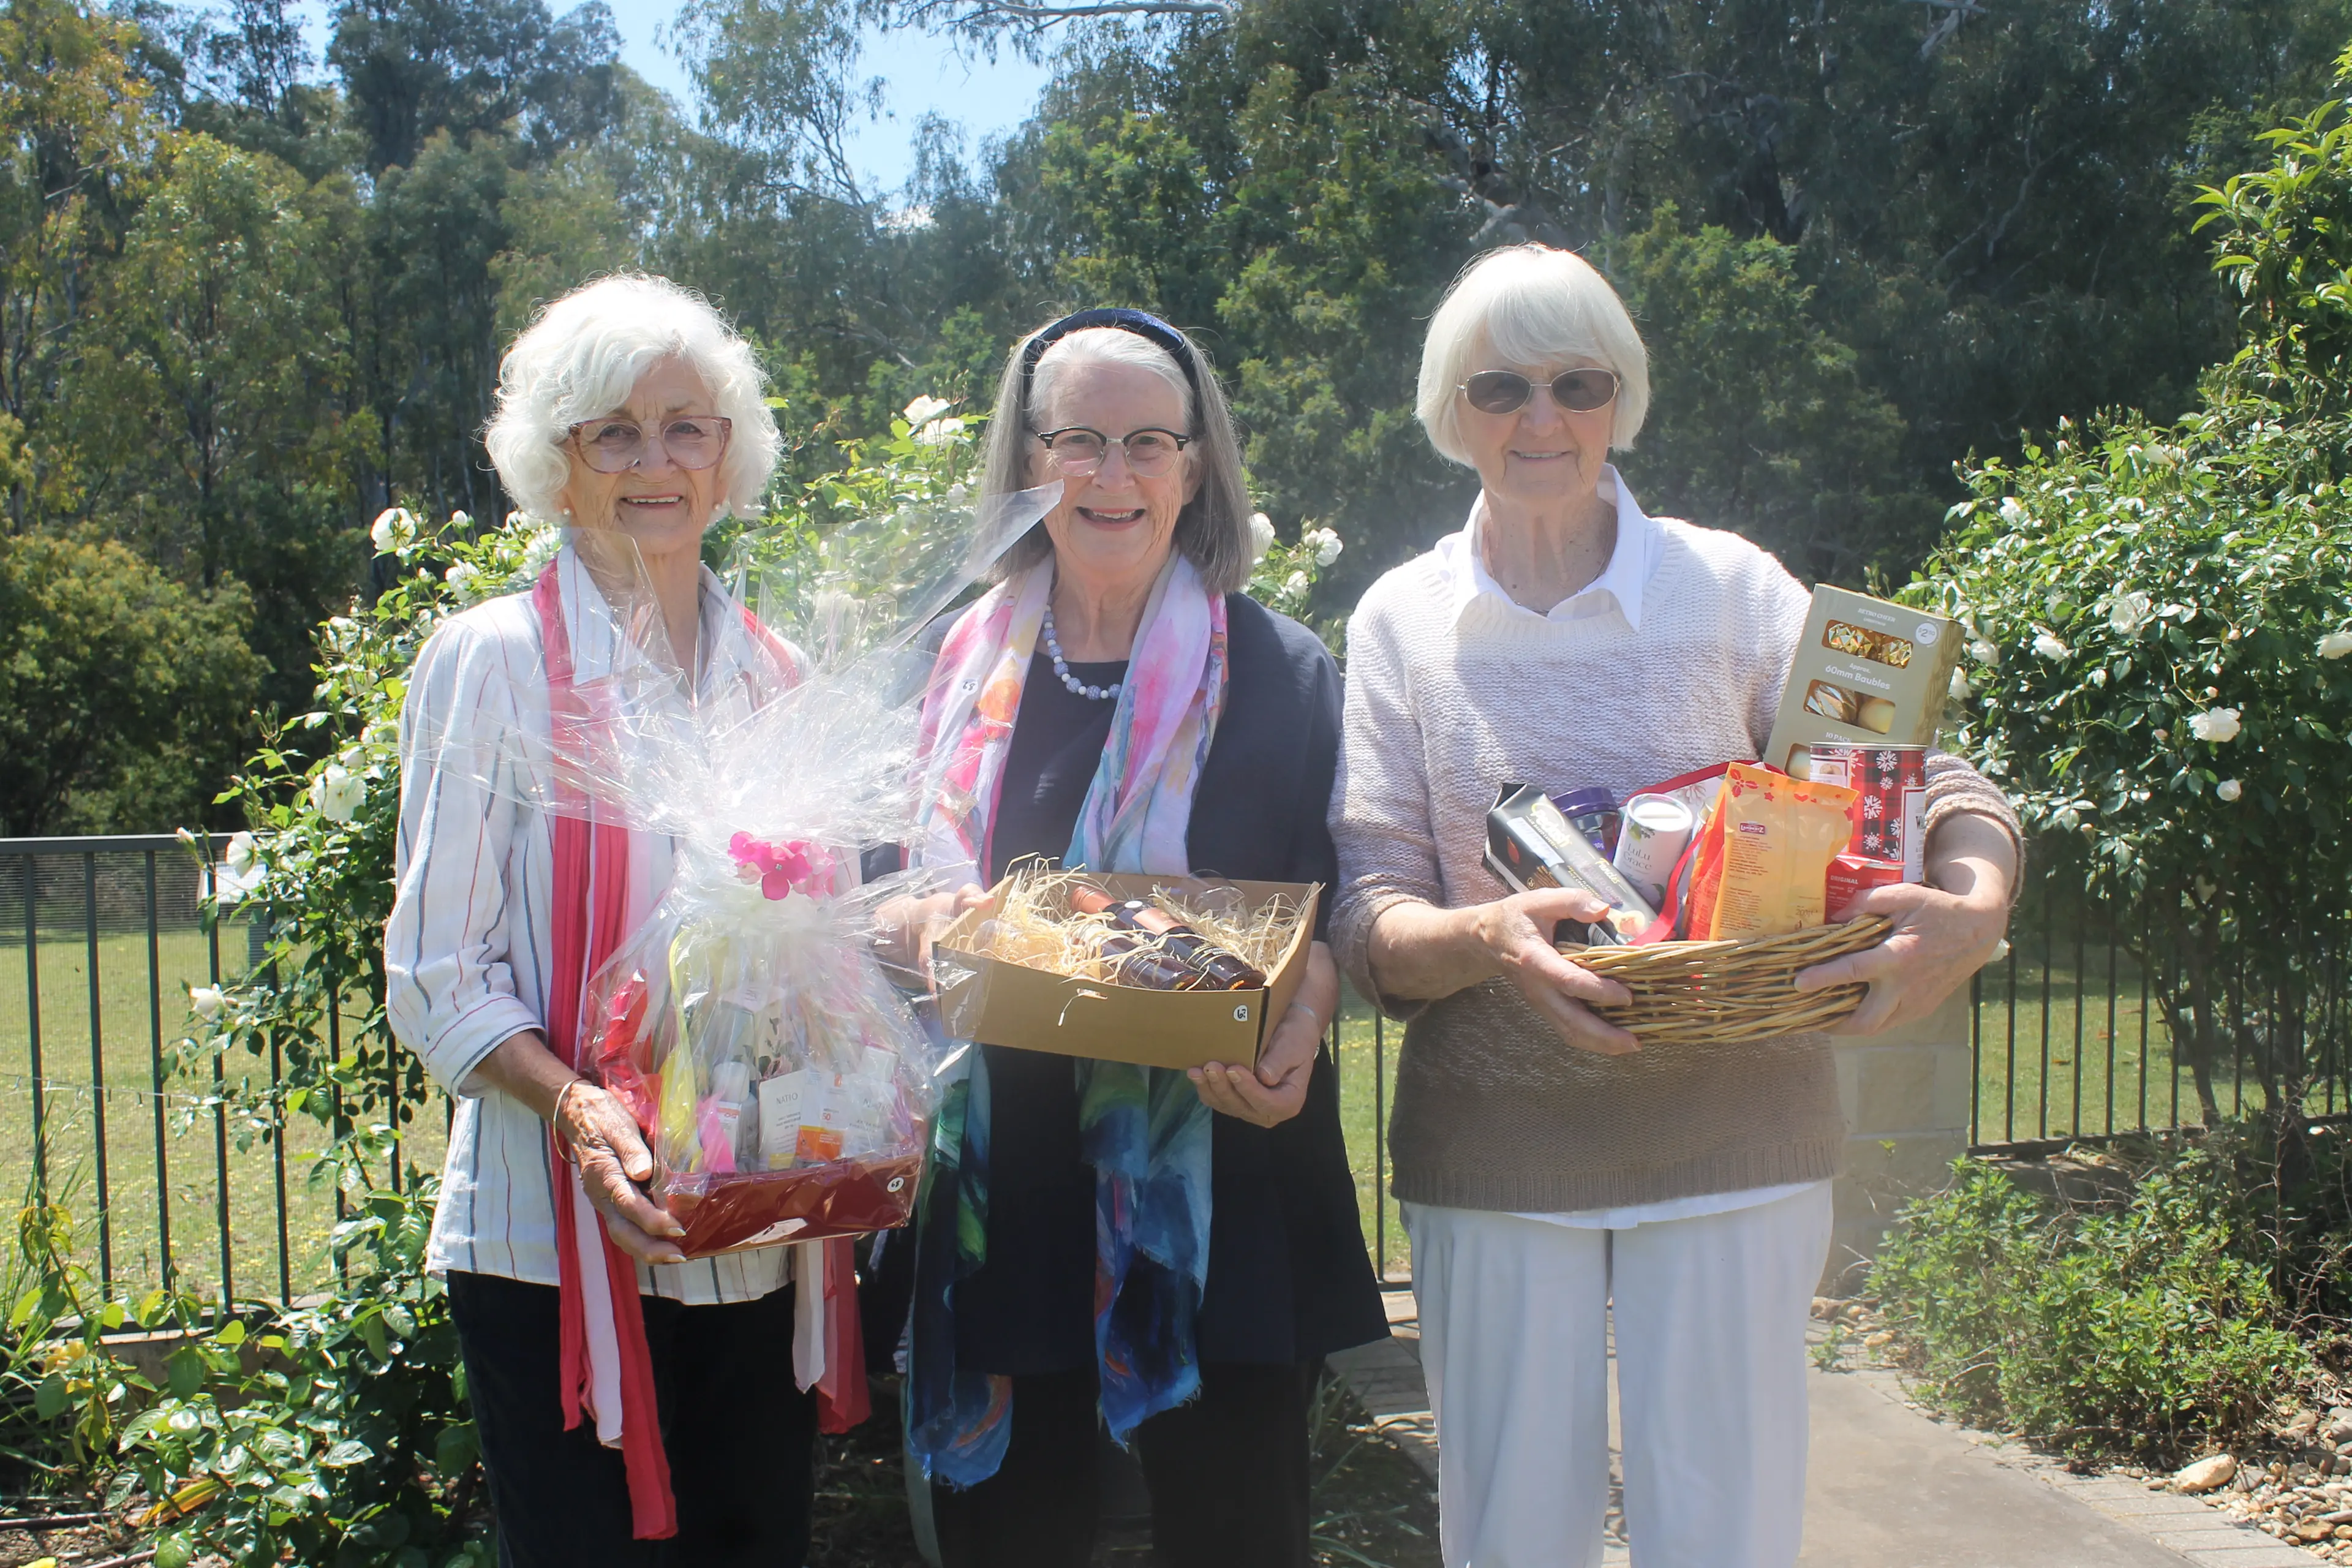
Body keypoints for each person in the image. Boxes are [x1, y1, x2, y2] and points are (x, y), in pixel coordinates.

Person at [1328, 244, 2022, 1568]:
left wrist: (1976, 905)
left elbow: (1922, 777)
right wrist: (1487, 938)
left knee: (1725, 1536)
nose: (1543, 417)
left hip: (1738, 1130)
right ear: (1451, 410)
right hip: (1497, 1149)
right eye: (1501, 387)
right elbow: (1372, 914)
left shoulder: (1730, 588)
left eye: (1578, 383)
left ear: (1621, 397)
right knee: (1512, 1542)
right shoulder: (1401, 619)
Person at [895, 308, 1388, 1568]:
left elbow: (1326, 906)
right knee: (1014, 1541)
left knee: (1237, 1534)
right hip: (1007, 1177)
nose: (1112, 474)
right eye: (1078, 440)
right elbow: (884, 884)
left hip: (1219, 1170)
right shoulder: (948, 669)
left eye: (1148, 443)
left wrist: (1304, 1021)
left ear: (1195, 466)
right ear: (1028, 460)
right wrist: (919, 923)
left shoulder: (1282, 671)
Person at [384, 274, 816, 1566]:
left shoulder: (778, 677)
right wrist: (578, 1107)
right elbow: (436, 971)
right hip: (547, 1242)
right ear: (555, 466)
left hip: (753, 1232)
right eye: (613, 433)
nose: (655, 462)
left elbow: (814, 944)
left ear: (728, 456)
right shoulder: (495, 663)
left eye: (686, 427)